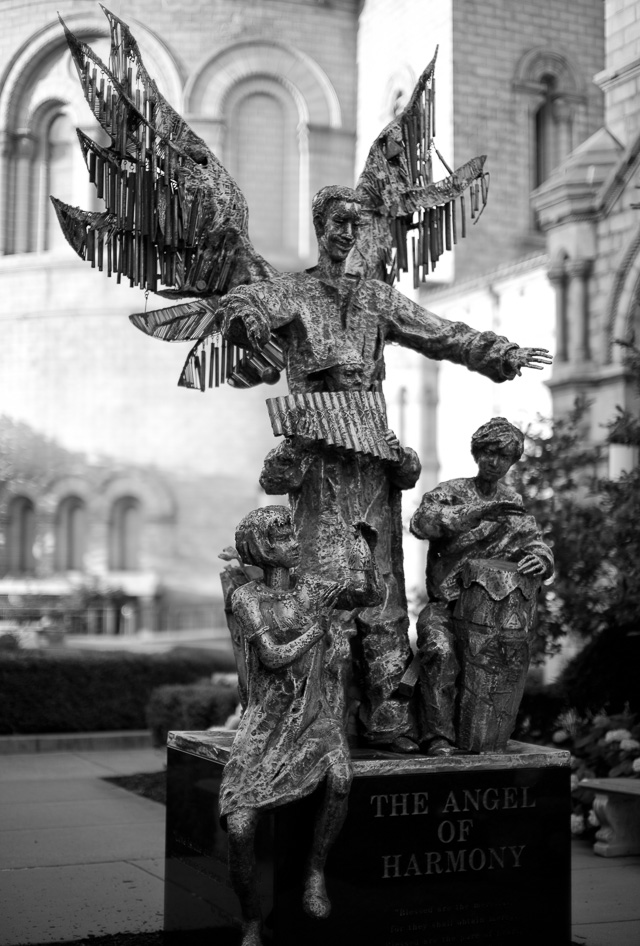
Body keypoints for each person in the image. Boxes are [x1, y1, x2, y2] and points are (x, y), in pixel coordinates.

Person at [219, 186, 551, 751]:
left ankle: (389, 721)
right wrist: (243, 320)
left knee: (384, 598)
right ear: (321, 225)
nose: (348, 233)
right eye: (339, 222)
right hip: (319, 466)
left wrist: (499, 353)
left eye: (358, 223)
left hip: (372, 465)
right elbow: (247, 307)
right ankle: (319, 720)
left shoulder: (377, 298)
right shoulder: (293, 292)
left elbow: (442, 333)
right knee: (323, 589)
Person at [219, 506, 380, 946]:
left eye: (293, 534)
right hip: (268, 719)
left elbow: (365, 593)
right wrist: (318, 631)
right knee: (239, 828)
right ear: (263, 549)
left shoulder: (312, 588)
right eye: (284, 537)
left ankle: (314, 871)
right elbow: (271, 656)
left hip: (314, 714)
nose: (296, 543)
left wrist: (361, 548)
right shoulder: (247, 598)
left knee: (342, 778)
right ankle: (252, 919)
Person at [409, 418, 554, 754]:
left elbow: (535, 541)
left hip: (493, 614)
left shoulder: (511, 502)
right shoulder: (450, 492)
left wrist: (541, 560)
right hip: (445, 607)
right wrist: (477, 511)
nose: (494, 461)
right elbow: (422, 523)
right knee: (439, 651)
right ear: (477, 453)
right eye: (488, 452)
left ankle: (485, 734)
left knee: (502, 666)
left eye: (503, 456)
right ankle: (437, 736)